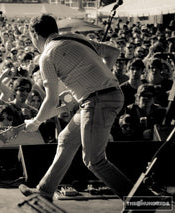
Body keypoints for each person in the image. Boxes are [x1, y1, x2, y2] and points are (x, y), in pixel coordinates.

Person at [18, 14, 154, 204]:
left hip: (97, 101)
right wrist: (104, 77)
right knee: (65, 139)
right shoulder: (75, 37)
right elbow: (113, 52)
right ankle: (45, 190)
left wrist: (36, 122)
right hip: (109, 96)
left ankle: (143, 200)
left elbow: (50, 100)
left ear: (35, 35)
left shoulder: (47, 55)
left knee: (94, 160)